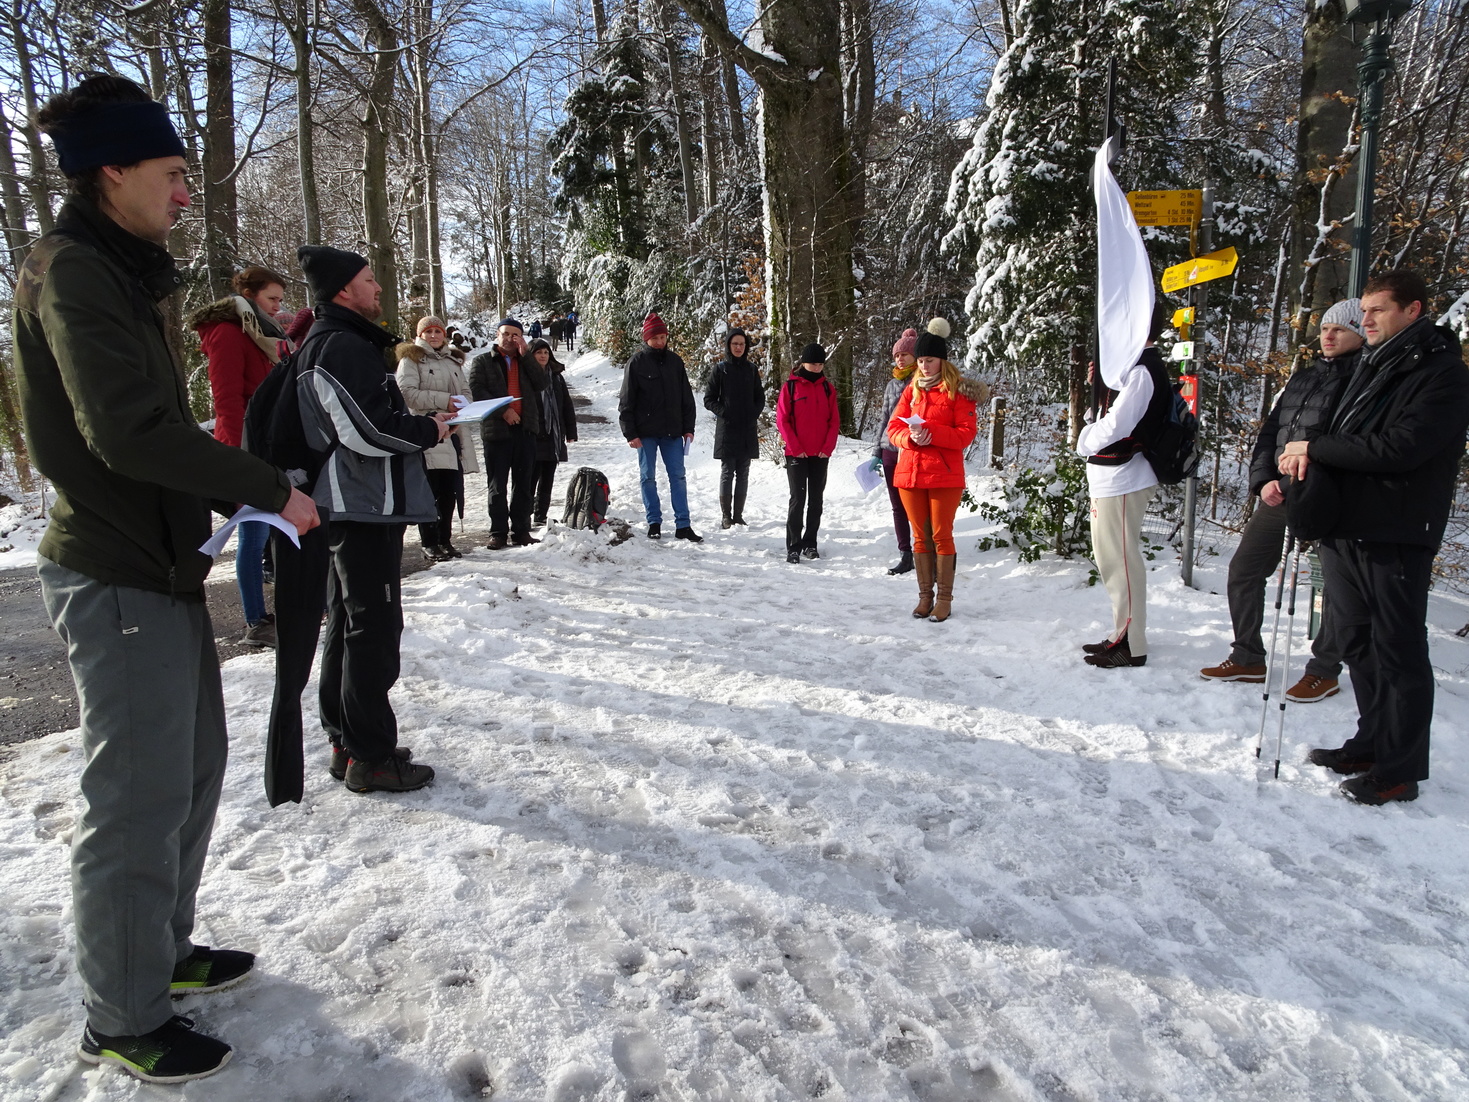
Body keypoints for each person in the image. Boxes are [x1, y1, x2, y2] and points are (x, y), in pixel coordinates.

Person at [15, 74, 319, 1082]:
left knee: (189, 772)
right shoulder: (72, 271)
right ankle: (122, 1011)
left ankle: (162, 951)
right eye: (173, 173)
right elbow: (127, 431)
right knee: (136, 799)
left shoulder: (118, 266)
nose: (187, 193)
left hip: (162, 565)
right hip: (113, 569)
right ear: (113, 170)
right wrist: (266, 486)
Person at [1282, 270, 1469, 805]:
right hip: (1346, 524)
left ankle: (1400, 770)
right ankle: (1371, 744)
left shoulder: (1442, 372)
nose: (1364, 320)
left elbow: (1401, 448)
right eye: (1363, 311)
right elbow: (1338, 430)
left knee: (1397, 649)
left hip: (1397, 529)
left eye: (1376, 310)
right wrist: (1303, 452)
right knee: (1357, 642)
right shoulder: (1371, 362)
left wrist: (1315, 449)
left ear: (1413, 310)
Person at [293, 244, 450, 793]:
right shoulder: (340, 345)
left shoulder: (333, 341)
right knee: (373, 629)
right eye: (367, 279)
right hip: (361, 505)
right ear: (342, 290)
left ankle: (346, 742)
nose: (378, 287)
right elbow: (367, 430)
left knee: (347, 623)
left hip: (352, 503)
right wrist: (429, 429)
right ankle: (370, 757)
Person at [1199, 298, 1359, 698]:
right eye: (1325, 328)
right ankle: (1248, 657)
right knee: (1244, 569)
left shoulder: (1363, 379)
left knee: (1335, 585)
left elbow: (1346, 443)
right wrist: (1262, 481)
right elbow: (1271, 433)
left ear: (1360, 333)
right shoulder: (1304, 377)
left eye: (1340, 329)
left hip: (1331, 497)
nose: (1328, 336)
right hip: (1279, 493)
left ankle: (1324, 670)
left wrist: (1291, 481)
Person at [190, 264, 291, 649]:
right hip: (246, 450)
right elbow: (227, 401)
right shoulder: (228, 333)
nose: (278, 306)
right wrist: (239, 460)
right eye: (272, 298)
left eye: (280, 299)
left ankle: (283, 610)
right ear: (249, 296)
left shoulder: (259, 332)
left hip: (267, 446)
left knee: (275, 531)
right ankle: (255, 621)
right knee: (254, 534)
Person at [1077, 303, 1173, 668]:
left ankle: (1132, 643)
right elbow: (1107, 415)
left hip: (1124, 478)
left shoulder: (1142, 371)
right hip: (1112, 478)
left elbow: (1119, 425)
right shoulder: (1129, 369)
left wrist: (1084, 441)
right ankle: (1123, 632)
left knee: (1121, 562)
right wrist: (1100, 386)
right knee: (1111, 560)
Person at [886, 320, 986, 619]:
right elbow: (893, 428)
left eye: (929, 360)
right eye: (920, 361)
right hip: (910, 473)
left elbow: (965, 434)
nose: (924, 366)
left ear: (942, 360)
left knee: (942, 535)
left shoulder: (958, 391)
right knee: (919, 537)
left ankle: (944, 599)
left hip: (944, 474)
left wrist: (931, 433)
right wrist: (908, 438)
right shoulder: (912, 390)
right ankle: (924, 597)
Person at [396, 315, 479, 562]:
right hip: (426, 429)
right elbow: (406, 394)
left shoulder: (453, 361)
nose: (433, 336)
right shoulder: (411, 359)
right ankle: (429, 542)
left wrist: (464, 404)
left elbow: (466, 392)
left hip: (453, 431)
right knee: (429, 489)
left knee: (449, 490)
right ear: (420, 335)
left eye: (438, 331)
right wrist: (445, 401)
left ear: (444, 335)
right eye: (428, 332)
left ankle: (445, 539)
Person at [620, 312, 701, 540]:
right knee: (647, 477)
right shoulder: (636, 363)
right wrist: (630, 432)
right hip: (645, 433)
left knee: (678, 477)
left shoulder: (675, 362)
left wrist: (688, 428)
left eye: (663, 337)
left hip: (672, 432)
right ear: (646, 339)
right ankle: (654, 522)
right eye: (655, 338)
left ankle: (683, 525)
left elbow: (687, 398)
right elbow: (626, 400)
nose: (659, 342)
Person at [468, 318, 548, 548]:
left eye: (516, 335)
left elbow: (542, 383)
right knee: (497, 484)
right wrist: (504, 411)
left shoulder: (526, 361)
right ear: (497, 334)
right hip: (497, 430)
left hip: (525, 429)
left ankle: (521, 530)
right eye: (506, 333)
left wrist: (526, 356)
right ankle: (498, 532)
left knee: (523, 484)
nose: (510, 338)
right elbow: (477, 390)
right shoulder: (483, 361)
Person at [776, 342, 841, 563]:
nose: (817, 367)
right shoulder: (790, 387)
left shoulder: (828, 388)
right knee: (798, 499)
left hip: (820, 455)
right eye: (813, 363)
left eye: (820, 364)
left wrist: (827, 448)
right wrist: (796, 448)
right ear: (803, 363)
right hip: (796, 454)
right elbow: (782, 420)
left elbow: (834, 421)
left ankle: (810, 543)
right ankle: (793, 546)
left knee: (816, 501)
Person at [703, 327, 765, 529]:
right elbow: (709, 399)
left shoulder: (751, 370)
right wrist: (725, 412)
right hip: (727, 429)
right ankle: (726, 516)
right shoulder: (720, 369)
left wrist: (753, 413)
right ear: (729, 345)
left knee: (743, 472)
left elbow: (760, 397)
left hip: (747, 428)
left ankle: (738, 515)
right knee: (728, 472)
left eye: (742, 344)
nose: (738, 347)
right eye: (735, 344)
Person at [872, 328, 919, 574]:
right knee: (897, 505)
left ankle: (925, 552)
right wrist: (877, 451)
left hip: (911, 450)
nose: (900, 359)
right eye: (897, 355)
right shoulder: (892, 384)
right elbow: (884, 418)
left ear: (915, 356)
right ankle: (905, 553)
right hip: (890, 449)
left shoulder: (921, 382)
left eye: (905, 354)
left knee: (916, 505)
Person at [528, 336, 578, 527]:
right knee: (531, 477)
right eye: (538, 352)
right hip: (533, 434)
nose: (543, 356)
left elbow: (566, 405)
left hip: (553, 436)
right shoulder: (527, 376)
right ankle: (525, 514)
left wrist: (571, 432)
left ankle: (540, 515)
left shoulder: (556, 377)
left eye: (546, 352)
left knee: (548, 477)